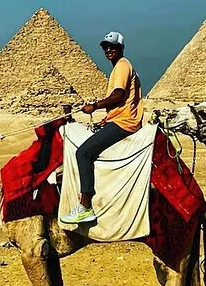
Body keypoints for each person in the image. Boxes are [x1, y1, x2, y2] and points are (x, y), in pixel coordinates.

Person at [60, 31, 144, 224]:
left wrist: (95, 106)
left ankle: (85, 206)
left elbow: (118, 95)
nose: (108, 50)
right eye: (106, 47)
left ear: (121, 48)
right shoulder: (119, 67)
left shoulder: (122, 66)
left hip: (125, 123)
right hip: (119, 119)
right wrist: (106, 119)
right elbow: (122, 103)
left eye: (113, 46)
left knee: (83, 153)